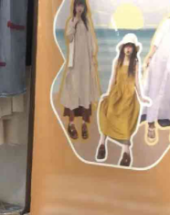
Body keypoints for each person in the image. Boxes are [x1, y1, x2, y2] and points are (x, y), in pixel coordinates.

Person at [97, 34, 151, 167]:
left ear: (133, 49)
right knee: (108, 112)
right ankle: (102, 144)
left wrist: (141, 96)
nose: (128, 49)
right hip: (117, 93)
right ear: (122, 48)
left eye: (130, 47)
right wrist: (108, 93)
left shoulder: (135, 63)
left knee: (126, 121)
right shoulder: (118, 61)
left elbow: (136, 81)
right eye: (126, 46)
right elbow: (113, 78)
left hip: (129, 96)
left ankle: (126, 152)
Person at [59, 0, 101, 141]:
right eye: (77, 5)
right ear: (74, 7)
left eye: (81, 5)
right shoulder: (72, 21)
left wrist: (93, 57)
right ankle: (71, 124)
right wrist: (75, 21)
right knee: (73, 92)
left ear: (84, 7)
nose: (79, 8)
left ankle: (84, 124)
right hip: (75, 65)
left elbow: (91, 41)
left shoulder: (87, 22)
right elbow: (69, 36)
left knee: (85, 92)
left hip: (86, 64)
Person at [143, 17, 170, 144]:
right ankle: (151, 125)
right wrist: (149, 56)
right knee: (154, 91)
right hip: (160, 61)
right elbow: (157, 41)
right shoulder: (167, 23)